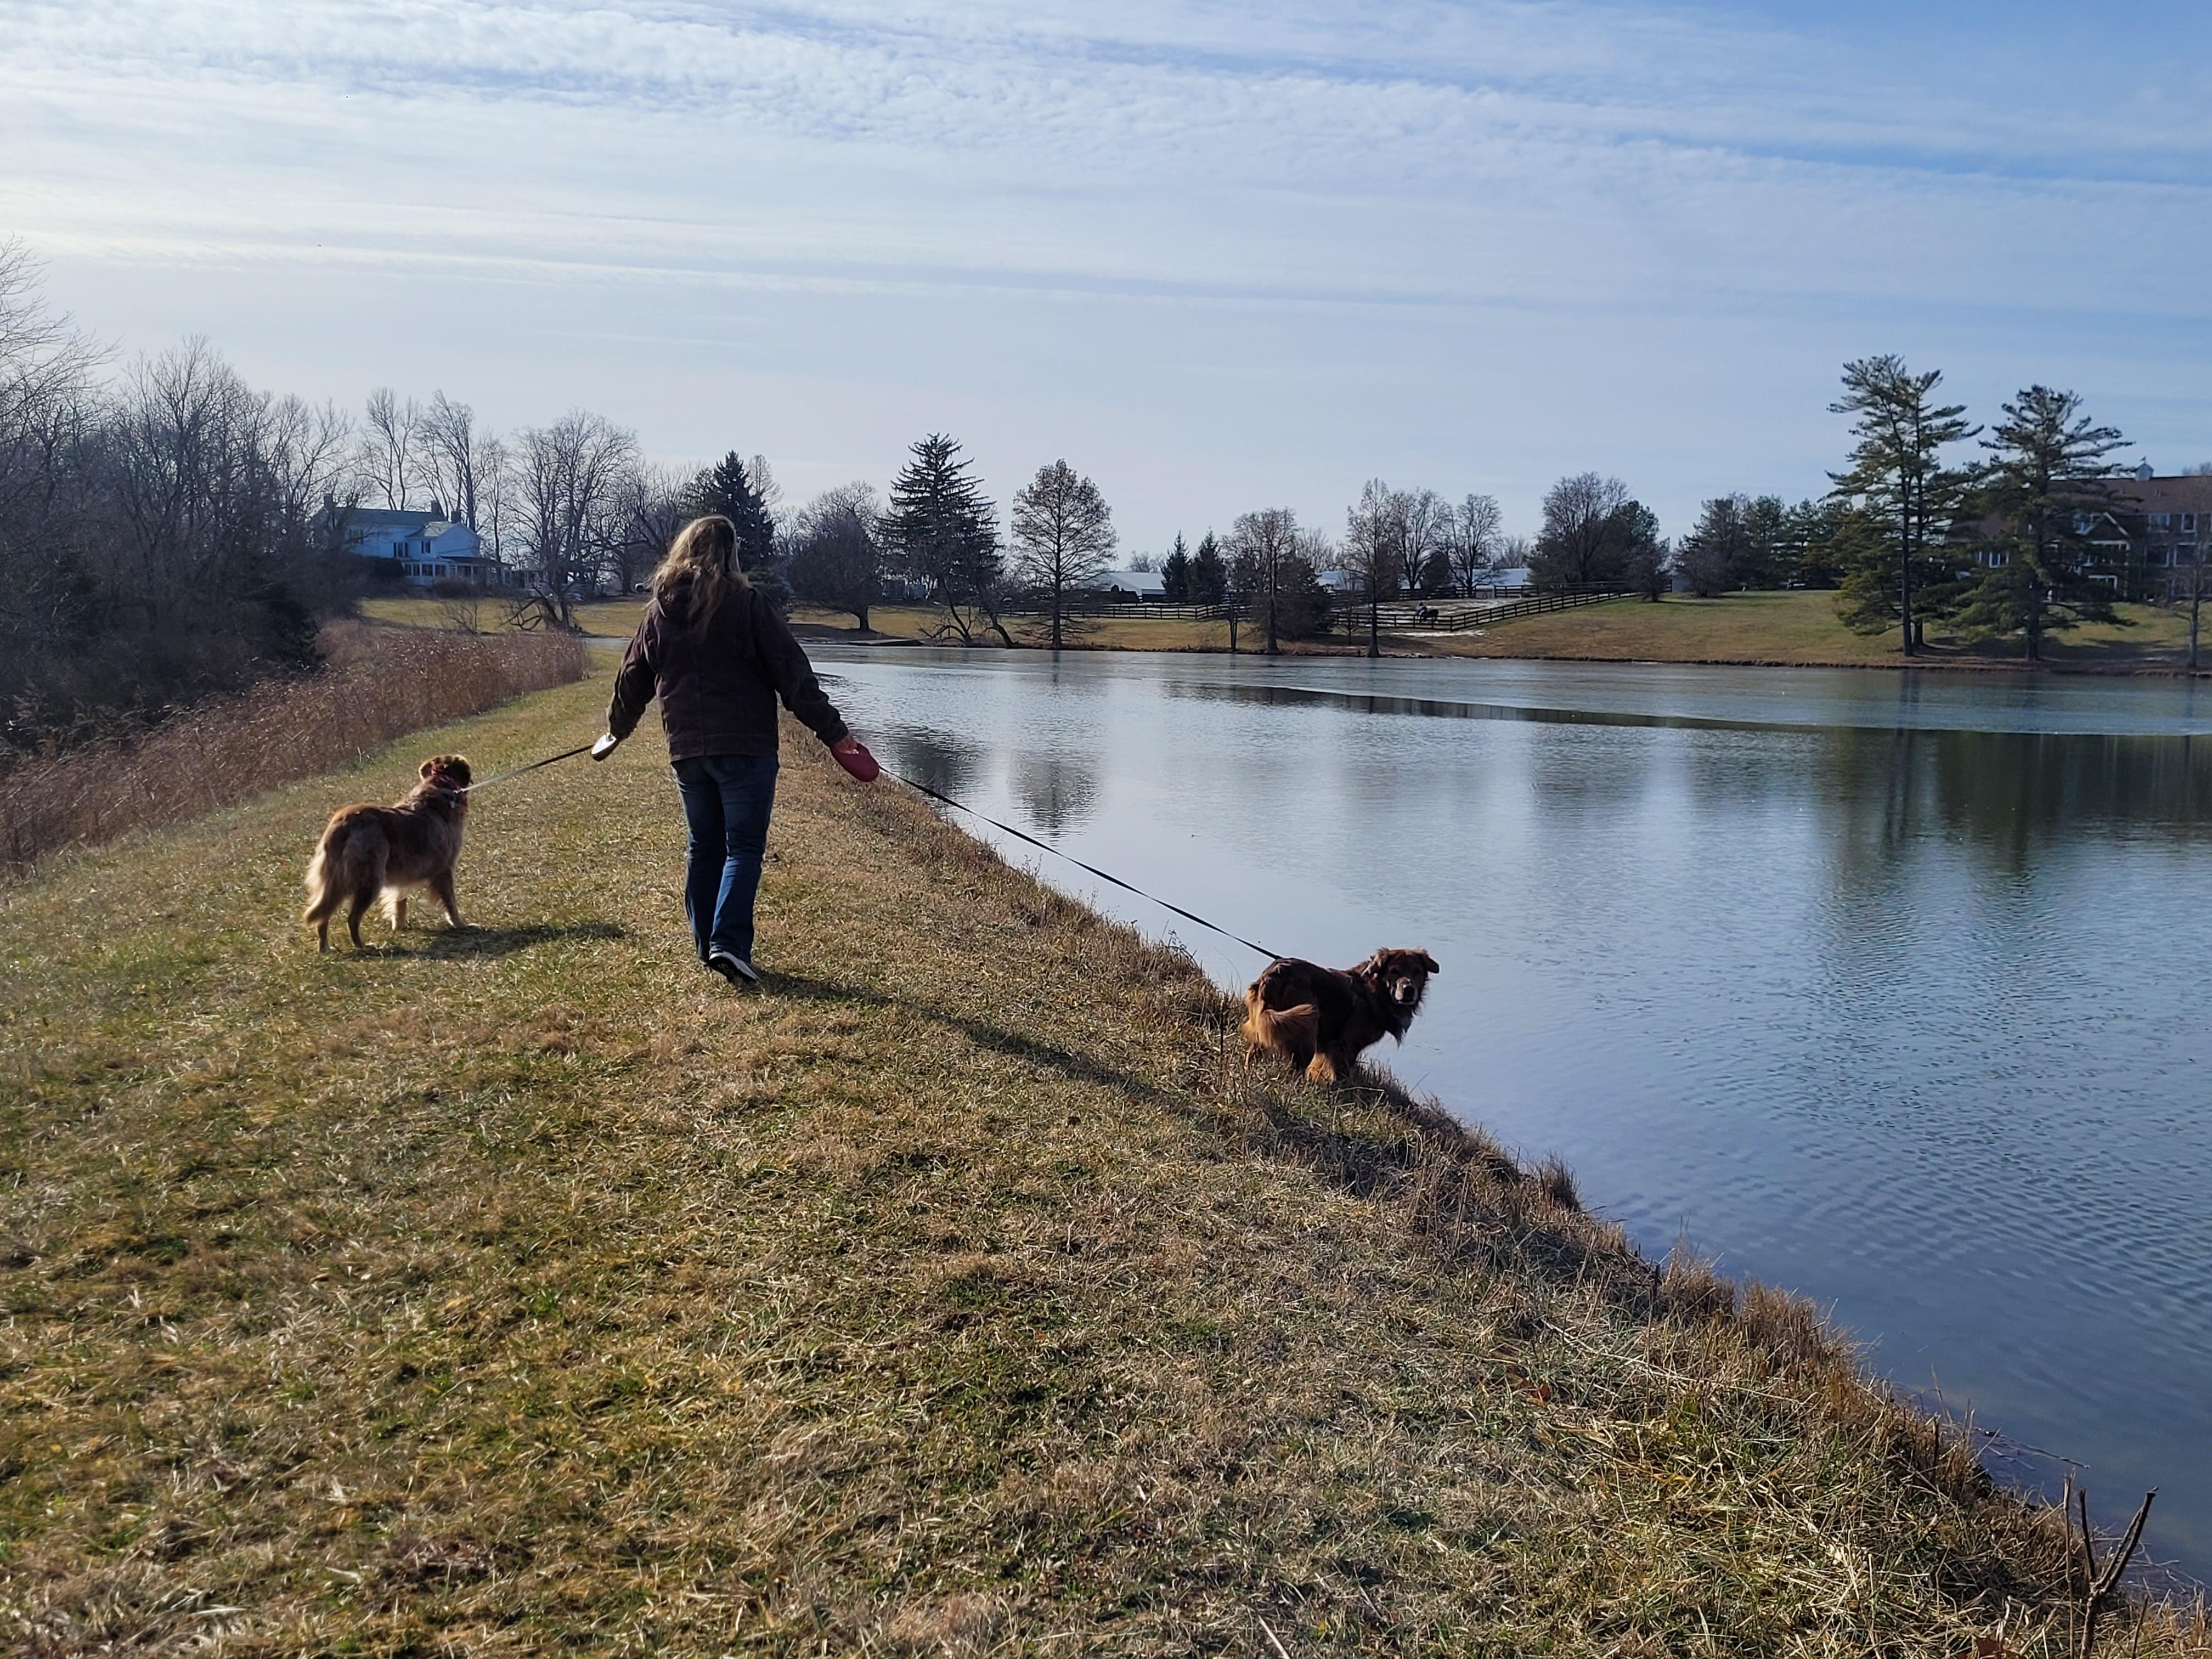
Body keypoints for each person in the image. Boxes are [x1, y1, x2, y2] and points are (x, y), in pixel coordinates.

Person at [596, 514, 875, 987]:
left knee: (704, 847)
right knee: (743, 847)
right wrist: (836, 735)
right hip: (747, 748)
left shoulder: (659, 612)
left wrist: (617, 730)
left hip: (687, 750)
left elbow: (632, 678)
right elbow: (795, 678)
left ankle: (708, 945)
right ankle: (727, 944)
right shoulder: (748, 606)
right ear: (730, 556)